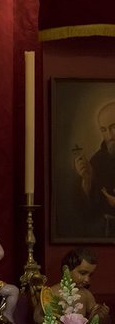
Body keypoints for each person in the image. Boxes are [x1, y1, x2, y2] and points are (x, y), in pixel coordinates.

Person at [38, 246, 111, 324]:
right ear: (67, 270)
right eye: (83, 273)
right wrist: (52, 323)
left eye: (90, 275)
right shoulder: (51, 292)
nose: (87, 279)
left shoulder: (86, 295)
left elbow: (94, 320)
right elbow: (37, 316)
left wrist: (101, 315)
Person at [72, 99, 115, 236]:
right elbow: (88, 214)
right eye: (103, 129)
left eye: (114, 127)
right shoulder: (96, 161)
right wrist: (87, 181)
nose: (109, 136)